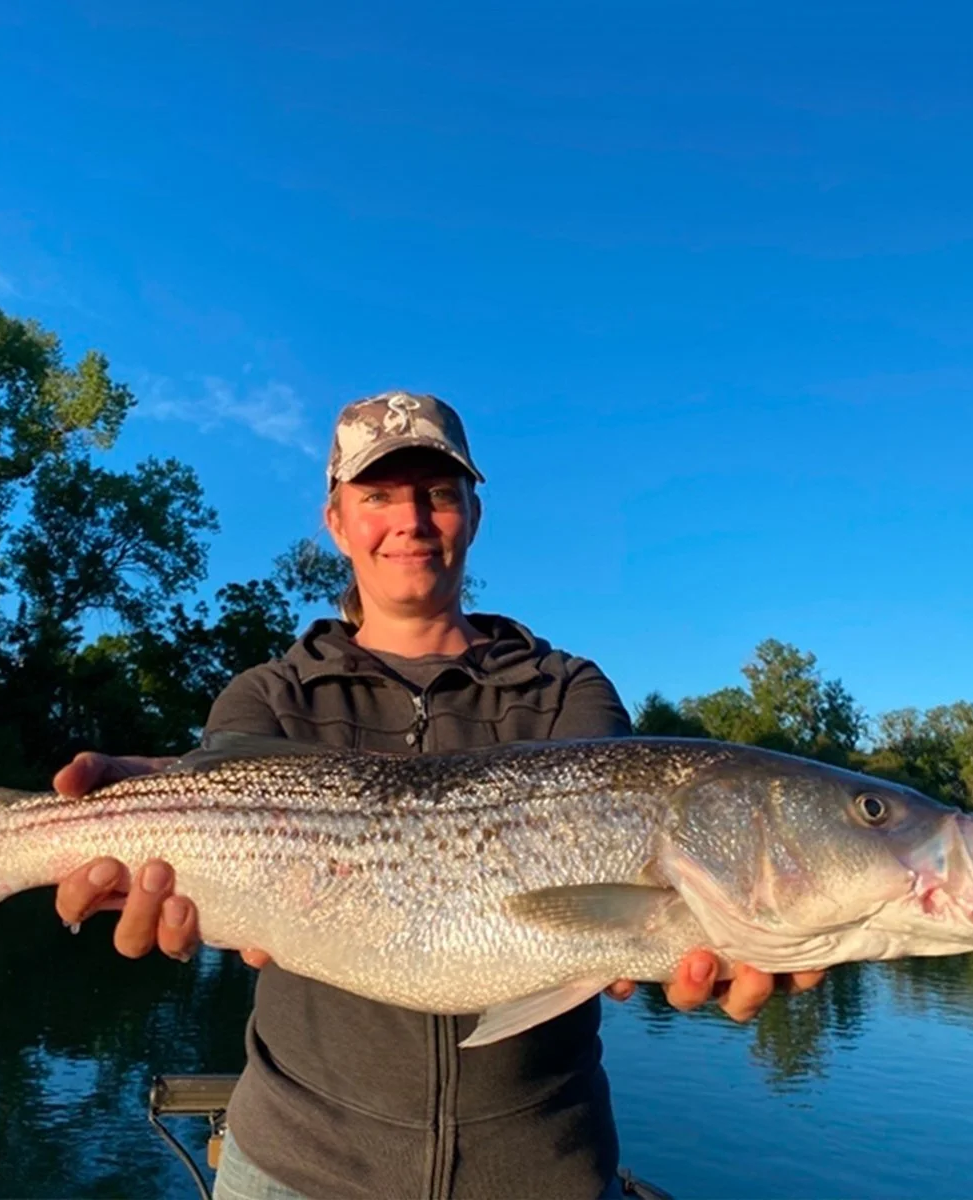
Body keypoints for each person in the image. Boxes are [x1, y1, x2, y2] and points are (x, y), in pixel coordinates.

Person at [51, 391, 826, 1200]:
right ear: (336, 522)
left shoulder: (569, 691)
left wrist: (716, 937)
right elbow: (205, 835)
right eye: (379, 495)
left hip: (542, 1174)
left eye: (438, 493)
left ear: (473, 514)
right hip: (294, 1169)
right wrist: (143, 836)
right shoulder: (267, 696)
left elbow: (631, 925)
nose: (412, 520)